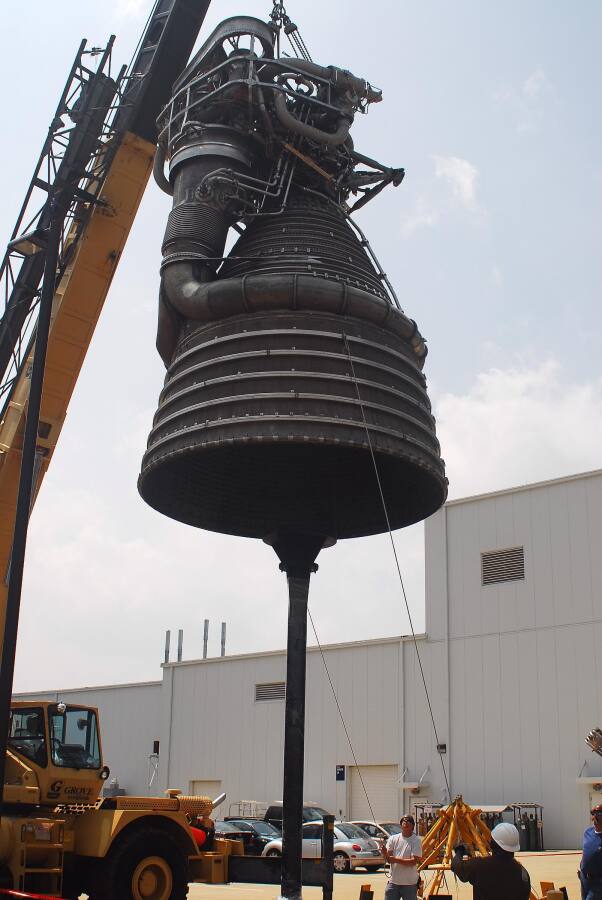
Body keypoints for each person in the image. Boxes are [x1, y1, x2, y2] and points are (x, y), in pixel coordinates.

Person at [451, 822, 530, 900]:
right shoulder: (522, 872)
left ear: (493, 844)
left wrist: (460, 851)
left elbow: (457, 866)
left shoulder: (480, 866)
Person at [383, 814, 422, 900]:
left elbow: (413, 861)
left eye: (409, 821)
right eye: (404, 820)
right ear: (401, 824)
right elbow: (389, 860)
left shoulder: (416, 841)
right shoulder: (393, 838)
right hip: (393, 882)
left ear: (413, 826)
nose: (406, 822)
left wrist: (395, 859)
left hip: (410, 884)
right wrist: (385, 853)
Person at [579, 804, 602, 899]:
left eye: (599, 814)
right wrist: (581, 866)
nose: (595, 817)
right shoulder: (587, 832)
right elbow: (586, 851)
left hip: (598, 882)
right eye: (594, 814)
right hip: (584, 879)